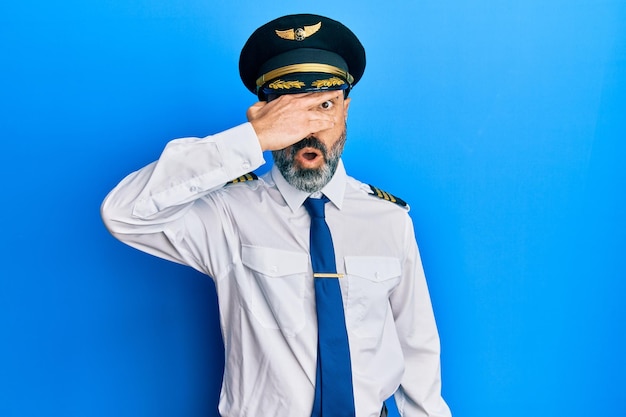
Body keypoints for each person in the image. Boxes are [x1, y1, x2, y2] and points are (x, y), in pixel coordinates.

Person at [101, 13, 451, 417]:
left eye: (324, 105)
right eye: (291, 112)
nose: (309, 128)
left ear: (345, 110)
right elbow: (123, 214)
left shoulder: (389, 219)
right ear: (265, 114)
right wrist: (252, 139)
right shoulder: (226, 215)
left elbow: (418, 350)